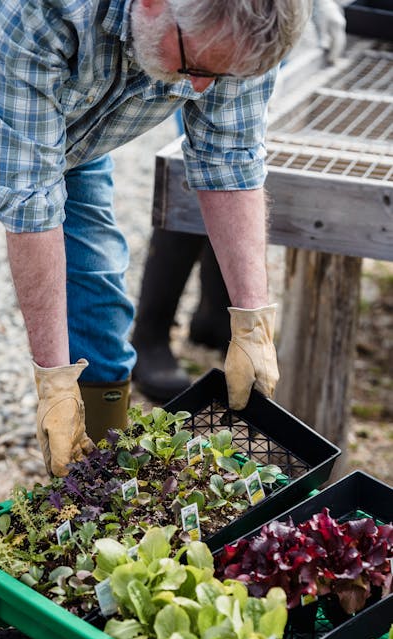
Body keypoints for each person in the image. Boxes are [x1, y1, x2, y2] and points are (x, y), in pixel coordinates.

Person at [0, 0, 310, 477]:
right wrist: (53, 382)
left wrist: (253, 320)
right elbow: (29, 198)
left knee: (100, 329)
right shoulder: (34, 8)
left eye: (221, 76)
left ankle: (91, 497)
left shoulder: (242, 25)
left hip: (67, 120)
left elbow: (230, 155)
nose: (201, 88)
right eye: (194, 67)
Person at [132, 0, 347, 402]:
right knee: (201, 164)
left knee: (240, 158)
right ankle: (150, 336)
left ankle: (216, 316)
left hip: (262, 21)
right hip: (208, 18)